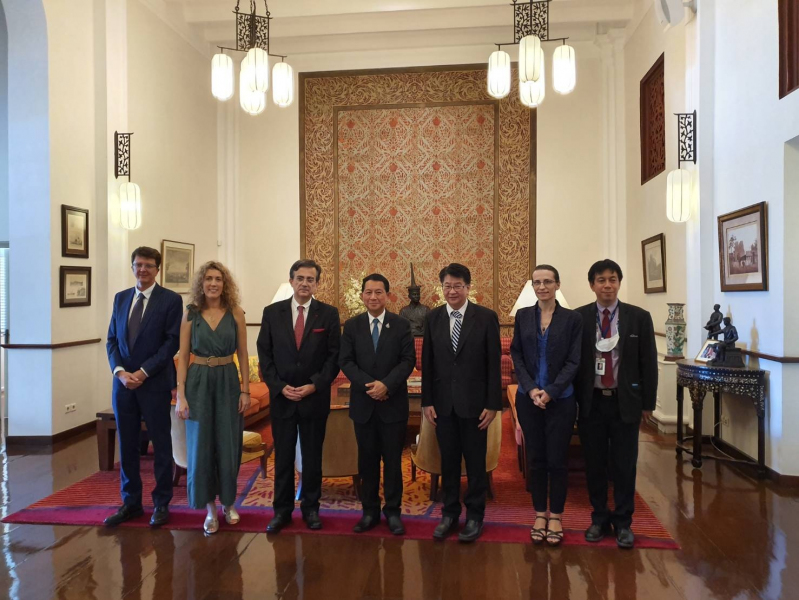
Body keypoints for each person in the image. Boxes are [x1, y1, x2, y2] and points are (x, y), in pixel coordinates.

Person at [574, 259, 658, 549]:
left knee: (624, 465)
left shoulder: (638, 317)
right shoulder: (579, 318)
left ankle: (623, 522)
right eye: (601, 280)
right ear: (592, 285)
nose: (607, 285)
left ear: (619, 283)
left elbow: (649, 363)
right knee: (594, 463)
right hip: (592, 403)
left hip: (625, 403)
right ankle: (598, 518)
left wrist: (648, 404)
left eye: (612, 279)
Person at [257, 259, 341, 533]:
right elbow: (265, 355)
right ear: (291, 281)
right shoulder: (272, 312)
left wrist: (314, 385)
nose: (305, 283)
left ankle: (311, 508)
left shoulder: (328, 314)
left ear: (317, 284)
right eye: (300, 278)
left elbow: (334, 357)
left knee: (312, 457)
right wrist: (279, 386)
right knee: (282, 457)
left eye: (310, 279)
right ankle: (281, 511)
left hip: (313, 398)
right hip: (282, 398)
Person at [421, 263, 502, 543]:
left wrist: (493, 404)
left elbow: (494, 364)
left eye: (458, 286)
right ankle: (450, 513)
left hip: (476, 406)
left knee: (476, 463)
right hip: (443, 405)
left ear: (468, 288)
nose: (452, 291)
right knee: (449, 462)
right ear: (441, 288)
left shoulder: (486, 317)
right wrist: (427, 401)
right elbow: (428, 363)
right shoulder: (433, 318)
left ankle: (475, 516)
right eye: (447, 286)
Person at [105, 247, 183, 527]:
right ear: (132, 267)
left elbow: (171, 343)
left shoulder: (170, 300)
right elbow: (111, 340)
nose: (143, 270)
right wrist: (120, 372)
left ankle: (161, 503)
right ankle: (131, 503)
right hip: (123, 385)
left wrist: (143, 372)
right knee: (127, 445)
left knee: (161, 444)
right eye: (138, 264)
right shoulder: (121, 298)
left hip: (154, 383)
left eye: (149, 265)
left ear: (157, 269)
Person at [175, 261, 250, 534]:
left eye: (218, 279)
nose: (213, 283)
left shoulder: (236, 312)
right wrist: (181, 395)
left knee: (228, 444)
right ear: (201, 283)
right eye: (208, 278)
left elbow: (243, 353)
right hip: (198, 382)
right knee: (201, 446)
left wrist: (245, 390)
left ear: (224, 283)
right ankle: (209, 510)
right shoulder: (190, 314)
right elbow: (183, 356)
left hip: (228, 380)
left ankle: (229, 504)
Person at [510, 265, 582, 546]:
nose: (542, 287)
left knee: (557, 460)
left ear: (557, 285)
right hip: (528, 399)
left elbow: (574, 361)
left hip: (561, 400)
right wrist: (531, 389)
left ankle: (557, 517)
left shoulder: (573, 319)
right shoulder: (523, 316)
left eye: (547, 282)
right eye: (537, 282)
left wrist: (550, 392)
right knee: (536, 459)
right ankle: (540, 514)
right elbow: (516, 354)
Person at [339, 274, 416, 535]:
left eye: (378, 292)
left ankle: (393, 512)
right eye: (369, 292)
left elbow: (408, 360)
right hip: (364, 405)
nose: (373, 297)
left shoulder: (401, 324)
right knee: (367, 461)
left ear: (388, 295)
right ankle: (369, 511)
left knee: (393, 462)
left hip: (393, 404)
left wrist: (386, 385)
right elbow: (346, 361)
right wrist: (370, 386)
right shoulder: (352, 326)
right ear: (362, 295)